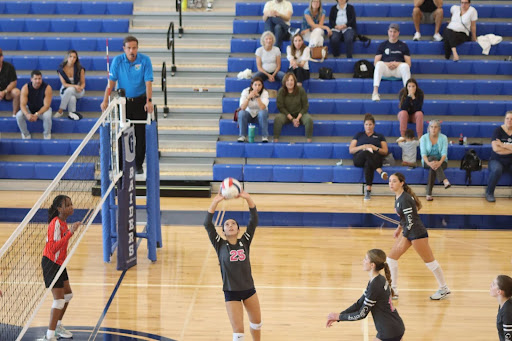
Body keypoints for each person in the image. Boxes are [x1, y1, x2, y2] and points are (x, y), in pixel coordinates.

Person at [204, 190, 262, 341]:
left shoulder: (245, 241)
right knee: (238, 332)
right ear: (222, 231)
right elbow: (207, 224)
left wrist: (248, 198)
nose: (230, 226)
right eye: (227, 224)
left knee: (257, 324)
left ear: (238, 229)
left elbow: (254, 219)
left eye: (233, 224)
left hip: (249, 289)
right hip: (231, 292)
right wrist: (215, 202)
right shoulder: (219, 244)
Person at [387, 172, 450, 300]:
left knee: (430, 262)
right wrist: (399, 229)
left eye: (394, 181)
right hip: (407, 231)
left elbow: (410, 222)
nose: (391, 184)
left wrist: (404, 237)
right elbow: (404, 217)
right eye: (389, 181)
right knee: (391, 259)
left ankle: (444, 288)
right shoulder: (398, 197)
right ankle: (393, 290)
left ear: (401, 183)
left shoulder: (405, 199)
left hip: (417, 233)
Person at [101, 36, 154, 175]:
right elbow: (111, 83)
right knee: (121, 133)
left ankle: (138, 165)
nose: (132, 51)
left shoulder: (145, 60)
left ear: (137, 48)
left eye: (134, 48)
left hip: (140, 101)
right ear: (124, 48)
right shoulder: (118, 61)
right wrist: (105, 100)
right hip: (123, 103)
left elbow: (148, 82)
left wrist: (149, 101)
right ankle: (121, 164)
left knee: (140, 135)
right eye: (129, 48)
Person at [326, 249, 405, 341]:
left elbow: (361, 314)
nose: (363, 261)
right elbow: (359, 304)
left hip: (388, 331)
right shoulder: (379, 279)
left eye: (366, 259)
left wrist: (339, 317)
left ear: (372, 265)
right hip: (395, 326)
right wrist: (340, 316)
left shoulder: (375, 285)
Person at [40, 195, 81, 341]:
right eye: (67, 205)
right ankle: (49, 336)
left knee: (68, 295)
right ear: (59, 209)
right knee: (58, 300)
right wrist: (71, 232)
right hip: (51, 264)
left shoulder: (63, 223)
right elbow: (52, 248)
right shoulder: (55, 223)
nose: (71, 206)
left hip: (59, 264)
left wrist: (69, 231)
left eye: (71, 204)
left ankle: (57, 326)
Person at [349, 113, 389, 201]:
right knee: (366, 152)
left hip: (375, 158)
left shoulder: (380, 136)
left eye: (370, 124)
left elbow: (385, 151)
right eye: (366, 124)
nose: (368, 126)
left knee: (368, 163)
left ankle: (368, 191)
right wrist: (362, 147)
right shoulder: (359, 135)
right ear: (364, 125)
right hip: (359, 158)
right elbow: (351, 150)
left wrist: (374, 148)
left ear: (374, 125)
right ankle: (379, 170)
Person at [372, 23, 411, 102]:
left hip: (398, 70)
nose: (392, 34)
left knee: (406, 67)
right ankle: (375, 92)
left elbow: (409, 64)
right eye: (391, 31)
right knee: (379, 64)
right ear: (388, 32)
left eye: (395, 32)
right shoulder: (382, 45)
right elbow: (375, 62)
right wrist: (387, 64)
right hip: (386, 69)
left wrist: (397, 64)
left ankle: (408, 93)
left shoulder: (403, 45)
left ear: (398, 33)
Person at [274, 72, 313, 143]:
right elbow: (281, 107)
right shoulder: (281, 91)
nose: (290, 82)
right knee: (278, 119)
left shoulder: (301, 90)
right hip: (286, 115)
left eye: (291, 80)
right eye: (287, 80)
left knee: (309, 119)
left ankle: (309, 141)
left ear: (295, 81)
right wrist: (292, 119)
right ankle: (275, 140)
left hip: (300, 114)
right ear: (284, 82)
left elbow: (305, 106)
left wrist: (297, 119)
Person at [16, 70, 53, 140]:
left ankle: (47, 134)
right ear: (31, 79)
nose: (38, 81)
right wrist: (27, 114)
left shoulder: (47, 88)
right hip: (30, 109)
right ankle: (25, 134)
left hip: (43, 110)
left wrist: (36, 114)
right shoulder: (25, 88)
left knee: (47, 116)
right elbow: (22, 105)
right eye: (35, 79)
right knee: (19, 115)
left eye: (39, 79)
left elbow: (46, 106)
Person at [419, 119, 451, 201]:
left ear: (439, 129)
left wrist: (439, 162)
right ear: (428, 128)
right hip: (427, 161)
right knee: (432, 159)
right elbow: (423, 154)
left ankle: (428, 194)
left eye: (435, 127)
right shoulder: (423, 138)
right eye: (431, 127)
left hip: (441, 161)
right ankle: (444, 179)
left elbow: (444, 153)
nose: (433, 129)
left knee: (433, 168)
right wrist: (429, 163)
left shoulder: (444, 138)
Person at [486, 111, 512, 202]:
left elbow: (500, 148)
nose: (509, 121)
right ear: (504, 119)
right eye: (507, 118)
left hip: (510, 161)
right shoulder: (498, 131)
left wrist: (503, 145)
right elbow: (496, 149)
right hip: (496, 160)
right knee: (497, 169)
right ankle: (489, 193)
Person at [55, 50, 85, 120]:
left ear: (76, 59)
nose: (72, 59)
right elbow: (64, 84)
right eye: (70, 56)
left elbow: (83, 83)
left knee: (71, 90)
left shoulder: (80, 69)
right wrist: (75, 86)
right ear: (67, 57)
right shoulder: (61, 69)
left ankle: (60, 110)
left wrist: (80, 88)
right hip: (65, 90)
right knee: (72, 97)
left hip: (78, 91)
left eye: (74, 57)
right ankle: (72, 113)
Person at [238, 77, 270, 143]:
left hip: (260, 116)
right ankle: (242, 136)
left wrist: (257, 97)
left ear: (262, 86)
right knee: (241, 113)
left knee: (263, 113)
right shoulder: (245, 91)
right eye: (255, 85)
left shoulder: (265, 93)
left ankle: (264, 136)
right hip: (249, 114)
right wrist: (248, 98)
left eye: (259, 85)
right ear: (252, 85)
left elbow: (262, 107)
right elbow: (243, 108)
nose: (257, 87)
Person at [490, 275, 512, 341]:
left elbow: (508, 338)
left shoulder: (507, 313)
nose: (490, 285)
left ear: (499, 292)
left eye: (493, 284)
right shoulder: (503, 304)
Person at [0, 48, 20, 117]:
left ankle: (14, 115)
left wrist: (4, 92)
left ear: (2, 58)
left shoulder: (9, 67)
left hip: (7, 92)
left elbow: (13, 82)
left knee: (17, 92)